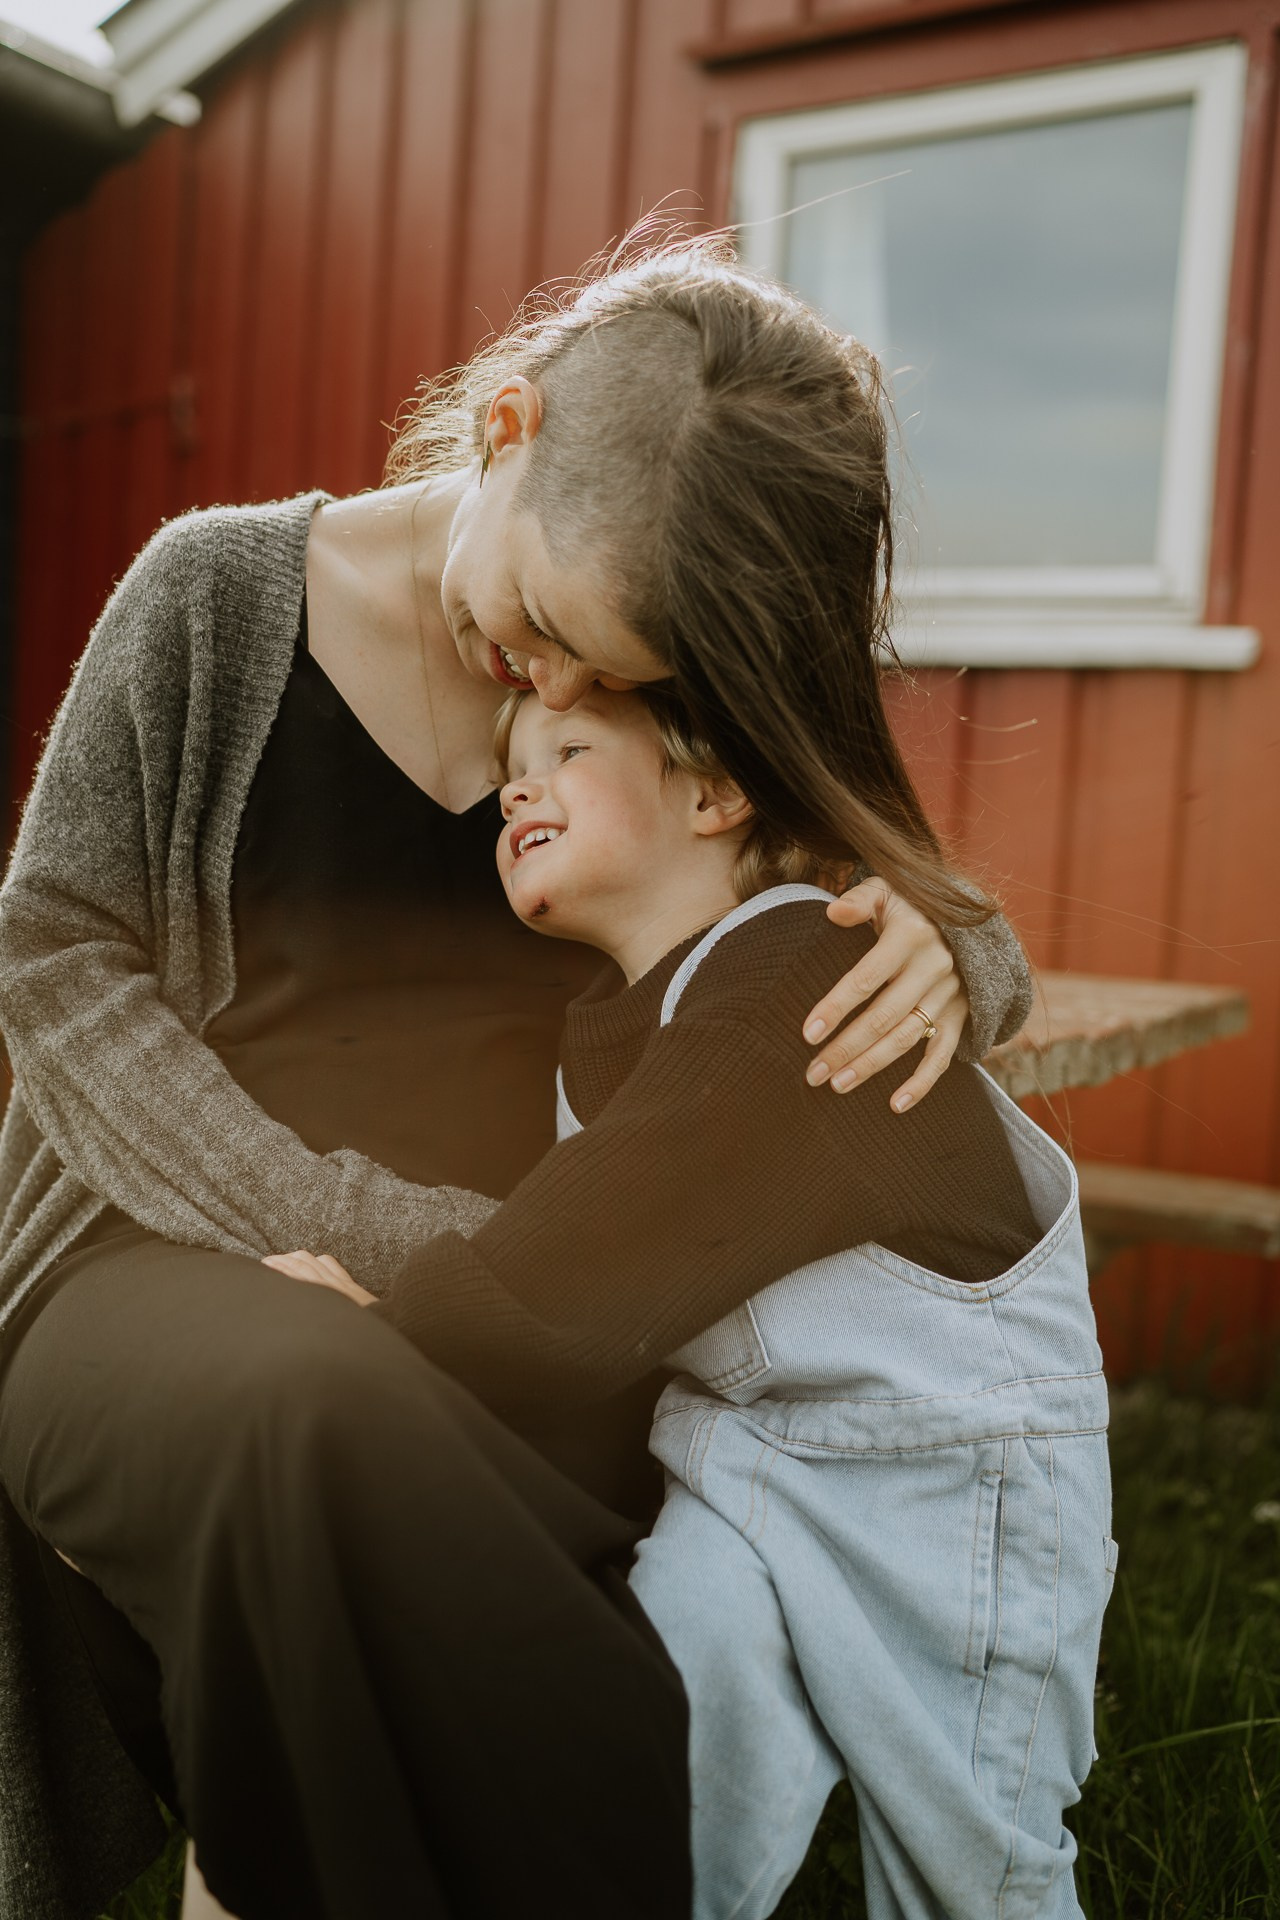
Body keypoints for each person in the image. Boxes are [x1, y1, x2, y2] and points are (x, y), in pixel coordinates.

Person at [0, 232, 1034, 1920]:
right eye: (544, 622)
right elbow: (52, 953)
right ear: (504, 430)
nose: (551, 688)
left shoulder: (684, 652)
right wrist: (349, 1230)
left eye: (608, 678)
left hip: (532, 1312)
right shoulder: (211, 597)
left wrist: (946, 951)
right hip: (153, 1269)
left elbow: (913, 907)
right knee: (307, 1408)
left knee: (422, 1528)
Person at [273, 681, 1111, 1920]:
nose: (517, 787)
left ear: (715, 793)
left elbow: (585, 1254)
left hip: (944, 1476)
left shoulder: (801, 972)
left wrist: (382, 1334)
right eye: (509, 770)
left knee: (967, 1866)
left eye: (567, 748)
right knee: (646, 1768)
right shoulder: (612, 1024)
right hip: (746, 1462)